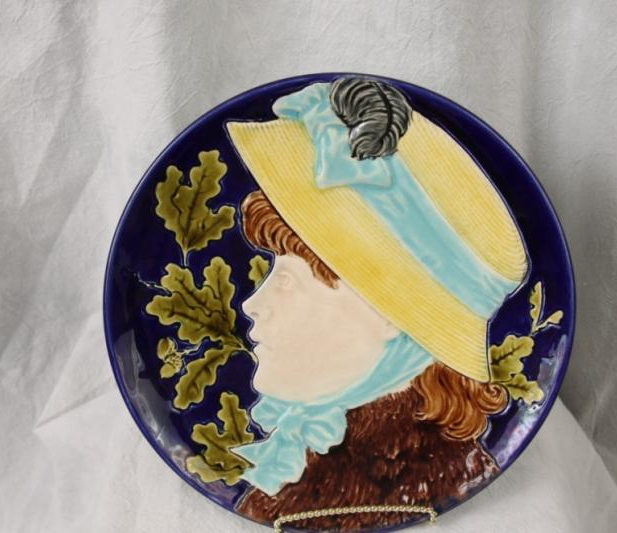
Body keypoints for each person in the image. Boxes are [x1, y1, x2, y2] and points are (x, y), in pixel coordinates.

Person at [226, 77, 528, 531]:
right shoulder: (309, 459)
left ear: (388, 315)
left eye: (287, 281)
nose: (253, 303)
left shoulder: (409, 484)